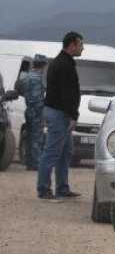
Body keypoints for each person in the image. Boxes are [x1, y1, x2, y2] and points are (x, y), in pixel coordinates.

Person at [38, 32, 86, 201]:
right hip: (59, 113)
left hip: (60, 112)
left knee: (65, 152)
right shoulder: (63, 64)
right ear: (72, 45)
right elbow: (67, 93)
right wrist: (72, 116)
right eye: (81, 45)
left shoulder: (63, 62)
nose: (82, 48)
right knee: (52, 152)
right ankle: (44, 189)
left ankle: (62, 188)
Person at [16, 55, 47, 170]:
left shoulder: (27, 77)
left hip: (29, 109)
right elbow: (37, 99)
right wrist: (42, 114)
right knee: (36, 138)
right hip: (36, 111)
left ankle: (29, 162)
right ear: (43, 65)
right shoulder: (37, 78)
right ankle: (35, 163)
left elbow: (20, 89)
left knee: (29, 137)